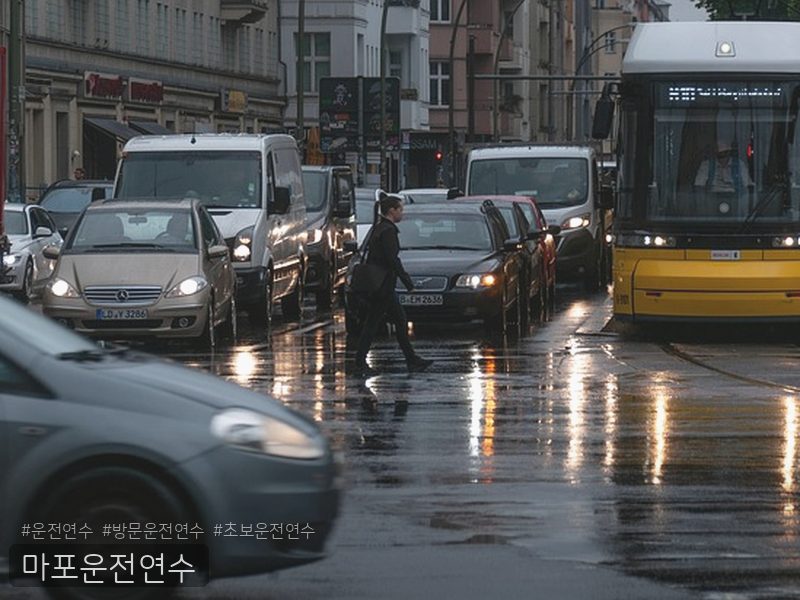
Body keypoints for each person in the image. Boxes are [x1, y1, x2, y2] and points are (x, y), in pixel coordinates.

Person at [353, 193, 433, 377]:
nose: (402, 214)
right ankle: (360, 362)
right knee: (374, 324)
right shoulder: (388, 231)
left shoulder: (379, 228)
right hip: (383, 286)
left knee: (397, 321)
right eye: (400, 210)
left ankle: (412, 360)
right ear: (392, 211)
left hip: (381, 284)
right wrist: (408, 283)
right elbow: (392, 259)